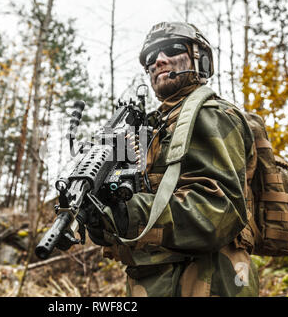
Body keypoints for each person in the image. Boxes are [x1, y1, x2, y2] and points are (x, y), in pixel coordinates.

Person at [86, 22, 259, 297]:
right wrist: (100, 216)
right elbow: (131, 223)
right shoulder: (154, 129)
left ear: (200, 58)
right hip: (154, 283)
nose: (159, 60)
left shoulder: (210, 114)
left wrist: (125, 211)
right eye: (150, 58)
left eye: (172, 49)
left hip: (207, 282)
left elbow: (218, 212)